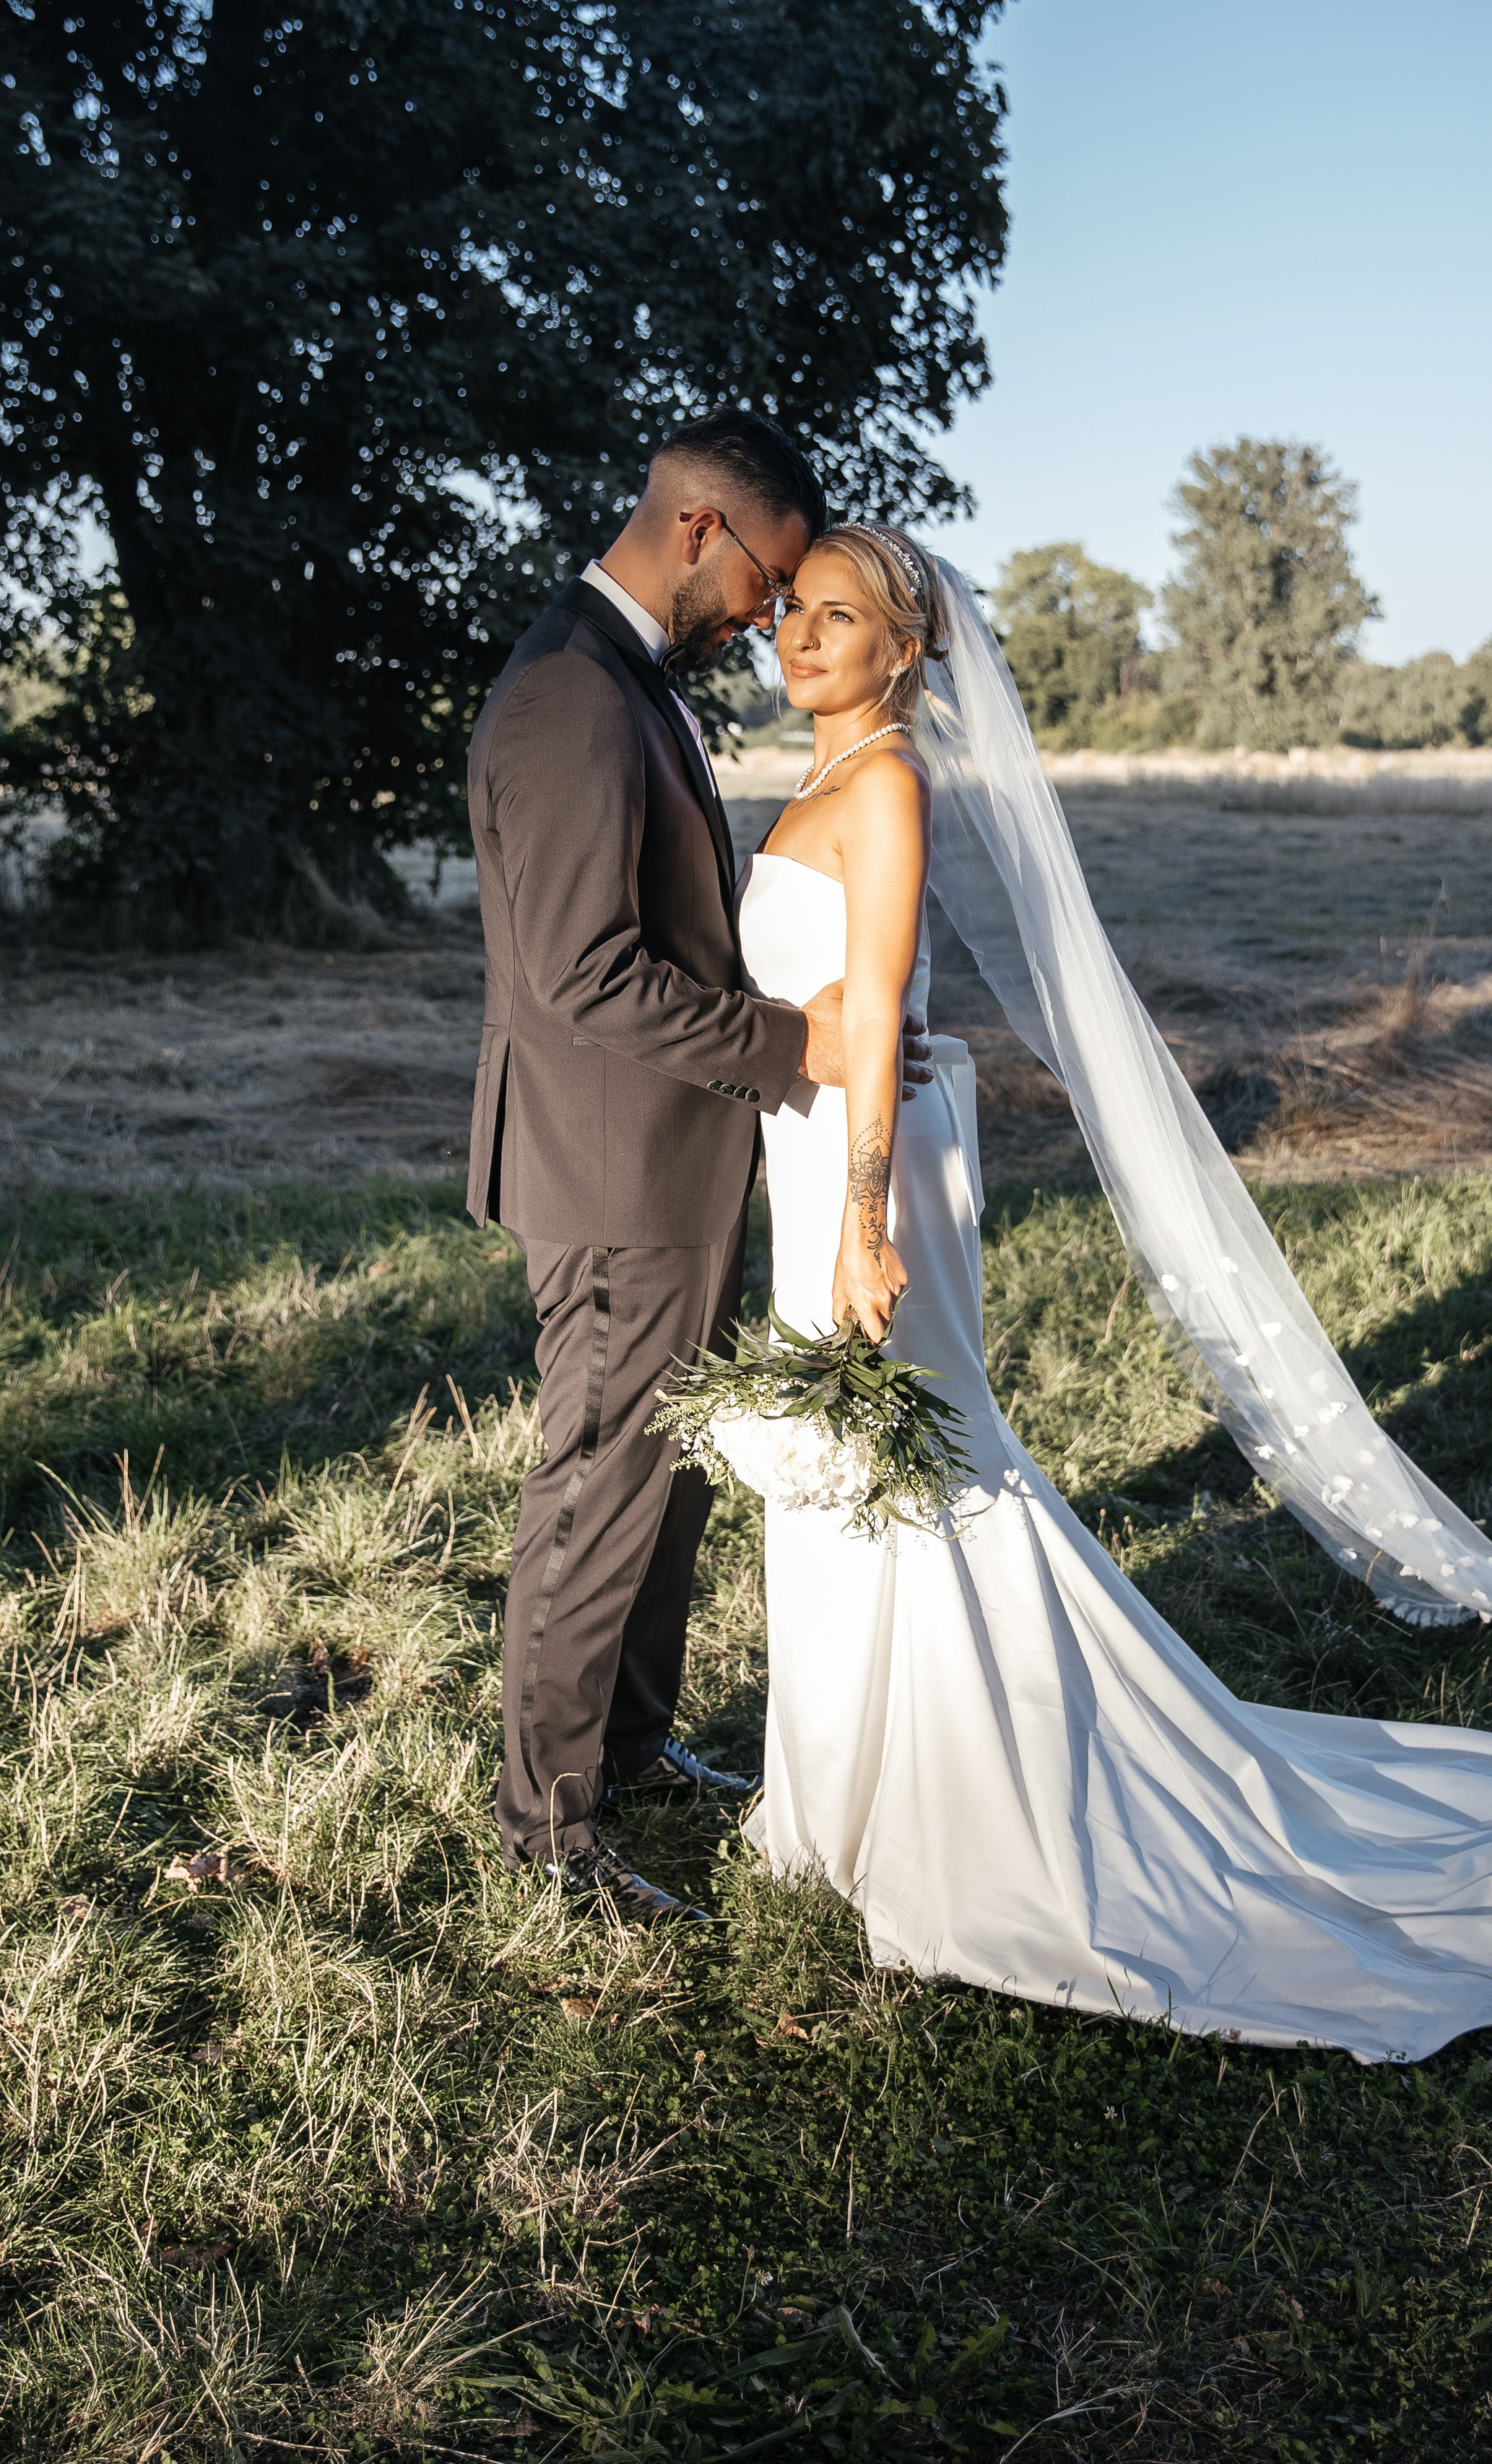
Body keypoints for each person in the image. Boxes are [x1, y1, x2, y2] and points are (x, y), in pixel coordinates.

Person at [732, 520, 1492, 2064]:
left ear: (906, 649)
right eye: (785, 610)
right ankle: (847, 1777)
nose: (797, 636)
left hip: (865, 1175)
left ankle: (953, 1783)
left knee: (907, 1459)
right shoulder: (813, 780)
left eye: (834, 616)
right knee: (863, 1464)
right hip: (816, 1153)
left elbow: (872, 1018)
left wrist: (860, 1223)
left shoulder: (881, 785)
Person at [464, 409, 931, 1920]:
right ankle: (545, 1827)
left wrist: (819, 1031)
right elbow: (578, 979)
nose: (766, 620)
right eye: (764, 583)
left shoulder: (625, 687)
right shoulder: (569, 699)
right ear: (697, 532)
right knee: (601, 1484)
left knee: (662, 1481)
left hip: (670, 1161)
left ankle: (636, 1749)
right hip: (609, 1176)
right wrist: (804, 1053)